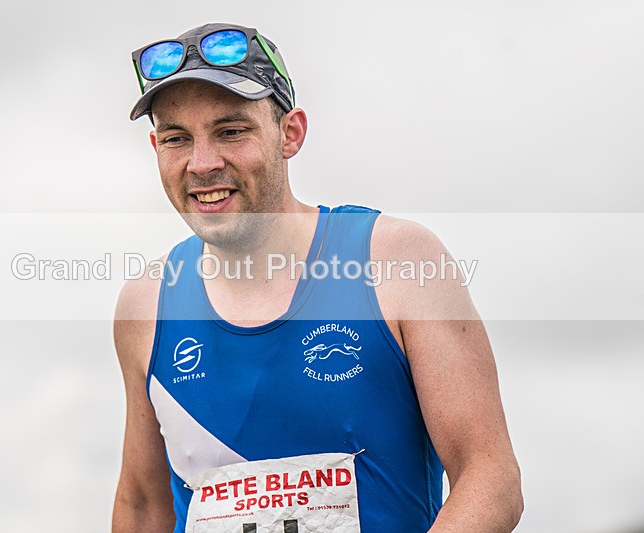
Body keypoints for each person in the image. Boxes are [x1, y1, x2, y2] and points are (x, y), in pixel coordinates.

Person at [112, 22, 523, 532]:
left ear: (290, 133)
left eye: (231, 131)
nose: (202, 163)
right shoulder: (146, 304)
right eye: (177, 139)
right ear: (156, 148)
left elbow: (491, 478)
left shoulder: (396, 260)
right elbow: (143, 506)